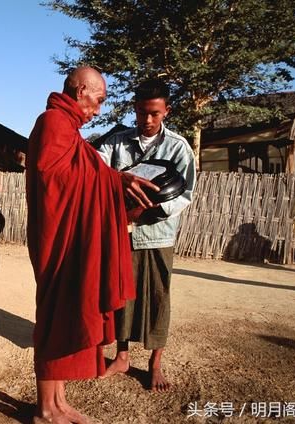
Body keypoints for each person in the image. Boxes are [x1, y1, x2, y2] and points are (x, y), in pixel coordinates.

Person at [26, 66, 159, 423]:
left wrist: (112, 180)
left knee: (66, 317)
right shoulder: (53, 121)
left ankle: (57, 402)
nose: (98, 110)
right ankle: (43, 409)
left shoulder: (67, 128)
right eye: (98, 100)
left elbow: (80, 172)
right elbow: (54, 176)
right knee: (54, 320)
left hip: (69, 239)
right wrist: (113, 182)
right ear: (81, 90)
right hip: (58, 241)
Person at [97, 79, 196, 391]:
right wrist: (117, 181)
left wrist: (145, 211)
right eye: (141, 112)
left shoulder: (179, 147)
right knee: (121, 297)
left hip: (157, 235)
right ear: (134, 110)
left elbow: (185, 194)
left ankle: (155, 363)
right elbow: (93, 169)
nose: (147, 120)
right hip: (119, 233)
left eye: (154, 113)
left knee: (157, 298)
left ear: (166, 110)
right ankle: (122, 356)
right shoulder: (115, 143)